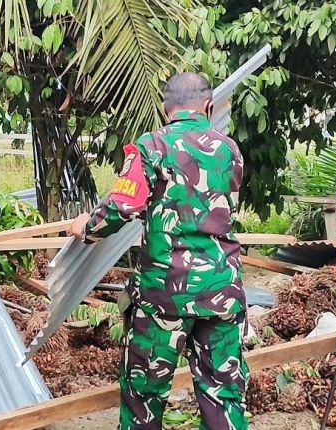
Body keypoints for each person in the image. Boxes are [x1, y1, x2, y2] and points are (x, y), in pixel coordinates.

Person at [69, 72, 248, 430]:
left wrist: (86, 228)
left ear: (166, 108)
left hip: (166, 294)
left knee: (144, 398)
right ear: (208, 107)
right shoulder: (228, 149)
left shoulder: (152, 147)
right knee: (224, 396)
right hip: (223, 290)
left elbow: (122, 206)